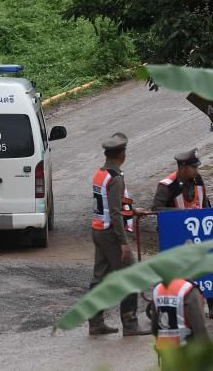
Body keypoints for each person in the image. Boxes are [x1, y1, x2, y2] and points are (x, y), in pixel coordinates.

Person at [88, 132, 146, 336]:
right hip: (111, 233)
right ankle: (130, 324)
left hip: (98, 230)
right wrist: (123, 243)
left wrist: (132, 211)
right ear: (122, 154)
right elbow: (114, 212)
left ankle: (95, 323)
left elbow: (110, 205)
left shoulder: (100, 174)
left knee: (100, 277)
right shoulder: (116, 179)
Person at [151, 148, 213, 319]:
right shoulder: (167, 185)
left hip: (198, 233)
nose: (196, 170)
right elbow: (156, 208)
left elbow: (205, 203)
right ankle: (178, 307)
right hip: (176, 236)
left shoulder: (198, 179)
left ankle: (212, 305)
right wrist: (179, 214)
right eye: (193, 167)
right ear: (182, 168)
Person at [150, 278, 213, 368]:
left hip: (166, 351)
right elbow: (199, 327)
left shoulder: (158, 289)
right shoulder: (189, 289)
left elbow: (154, 327)